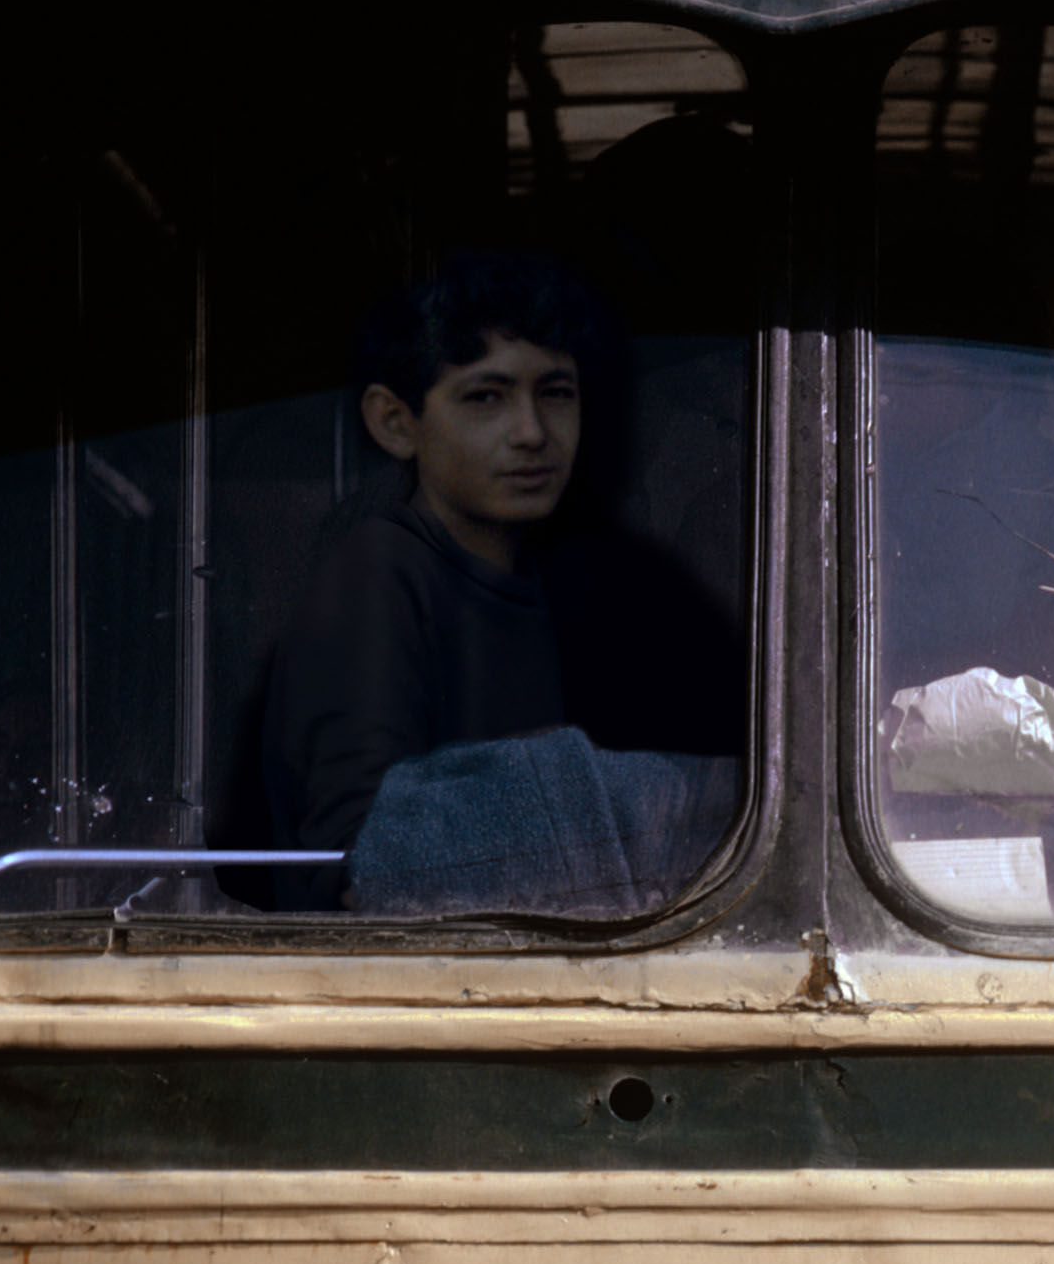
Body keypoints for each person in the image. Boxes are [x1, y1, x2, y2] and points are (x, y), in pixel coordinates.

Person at [263, 252, 743, 906]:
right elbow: (361, 858)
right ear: (395, 422)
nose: (531, 433)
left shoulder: (562, 560)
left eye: (557, 394)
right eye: (486, 397)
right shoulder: (379, 567)